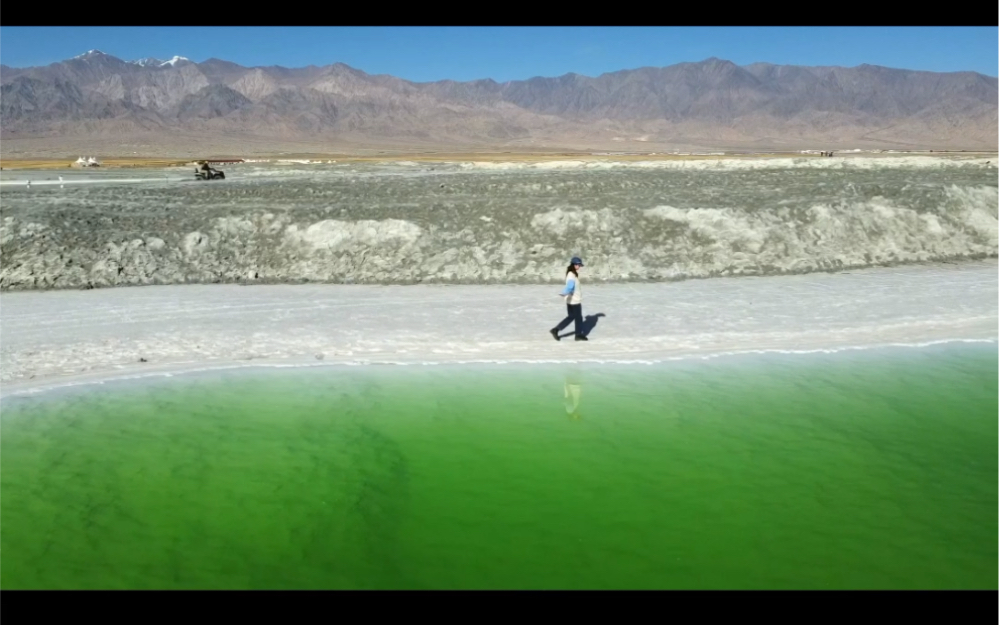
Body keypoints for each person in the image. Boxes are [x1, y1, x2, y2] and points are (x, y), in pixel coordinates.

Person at [550, 257, 587, 341]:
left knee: (571, 316)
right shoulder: (571, 275)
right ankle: (578, 335)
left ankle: (556, 330)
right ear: (574, 264)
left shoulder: (571, 274)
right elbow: (570, 287)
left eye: (580, 265)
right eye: (578, 265)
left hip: (570, 299)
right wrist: (564, 293)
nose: (579, 267)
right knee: (578, 318)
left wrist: (565, 294)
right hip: (574, 300)